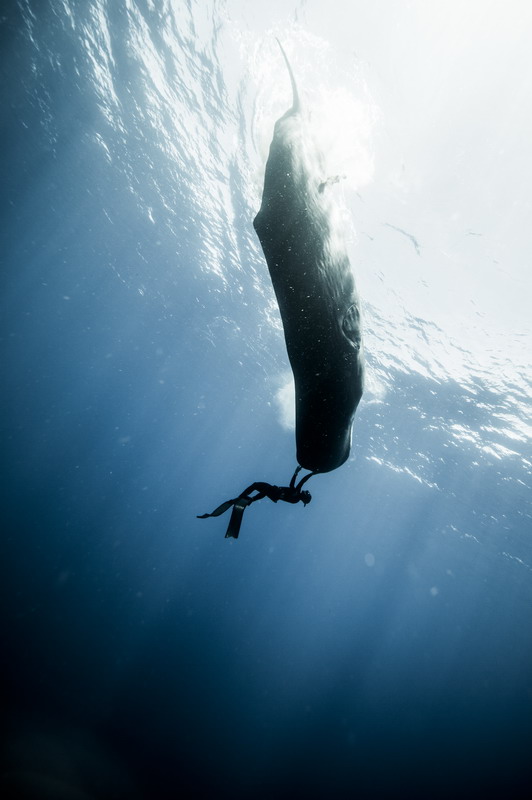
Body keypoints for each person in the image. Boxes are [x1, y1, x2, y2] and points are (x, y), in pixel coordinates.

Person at [197, 466, 315, 539]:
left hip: (275, 492)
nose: (305, 491)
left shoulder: (296, 496)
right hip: (274, 492)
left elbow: (299, 483)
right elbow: (293, 485)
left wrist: (311, 473)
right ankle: (247, 499)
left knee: (261, 488)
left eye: (306, 493)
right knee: (258, 486)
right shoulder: (296, 496)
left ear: (304, 497)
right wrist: (297, 473)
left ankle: (246, 499)